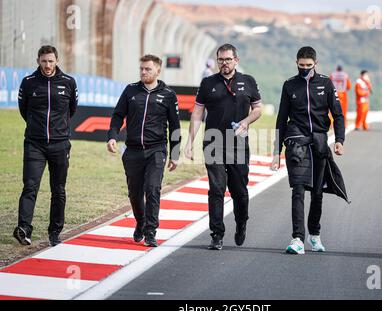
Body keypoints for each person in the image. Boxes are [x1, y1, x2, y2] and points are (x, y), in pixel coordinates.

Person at [184, 44, 262, 250]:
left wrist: (246, 121)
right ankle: (217, 234)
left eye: (228, 59)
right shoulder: (208, 82)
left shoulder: (249, 81)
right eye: (220, 60)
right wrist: (189, 143)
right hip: (213, 142)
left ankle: (241, 222)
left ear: (236, 60)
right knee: (216, 189)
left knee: (239, 191)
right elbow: (197, 114)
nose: (224, 63)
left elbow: (258, 109)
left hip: (238, 144)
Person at [271, 46, 348, 255]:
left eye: (308, 66)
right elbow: (281, 119)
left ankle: (314, 234)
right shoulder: (289, 85)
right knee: (297, 189)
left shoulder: (326, 83)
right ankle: (297, 238)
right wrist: (276, 152)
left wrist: (339, 139)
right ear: (296, 62)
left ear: (316, 63)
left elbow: (338, 114)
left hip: (320, 142)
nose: (304, 69)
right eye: (301, 65)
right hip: (296, 142)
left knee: (317, 192)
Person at [108, 54, 181, 247]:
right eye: (141, 68)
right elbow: (117, 116)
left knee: (152, 189)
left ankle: (150, 232)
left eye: (147, 69)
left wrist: (175, 154)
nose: (143, 72)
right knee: (134, 193)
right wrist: (112, 136)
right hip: (132, 151)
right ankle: (140, 222)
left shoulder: (168, 94)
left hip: (156, 149)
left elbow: (174, 126)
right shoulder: (130, 90)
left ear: (158, 70)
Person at [14, 45, 78, 247]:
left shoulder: (68, 82)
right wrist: (37, 128)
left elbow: (71, 110)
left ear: (57, 61)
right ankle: (24, 228)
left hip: (60, 144)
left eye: (51, 61)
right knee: (30, 186)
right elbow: (23, 110)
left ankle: (54, 232)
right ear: (38, 61)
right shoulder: (28, 83)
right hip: (34, 143)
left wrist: (59, 130)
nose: (47, 65)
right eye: (44, 61)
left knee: (58, 189)